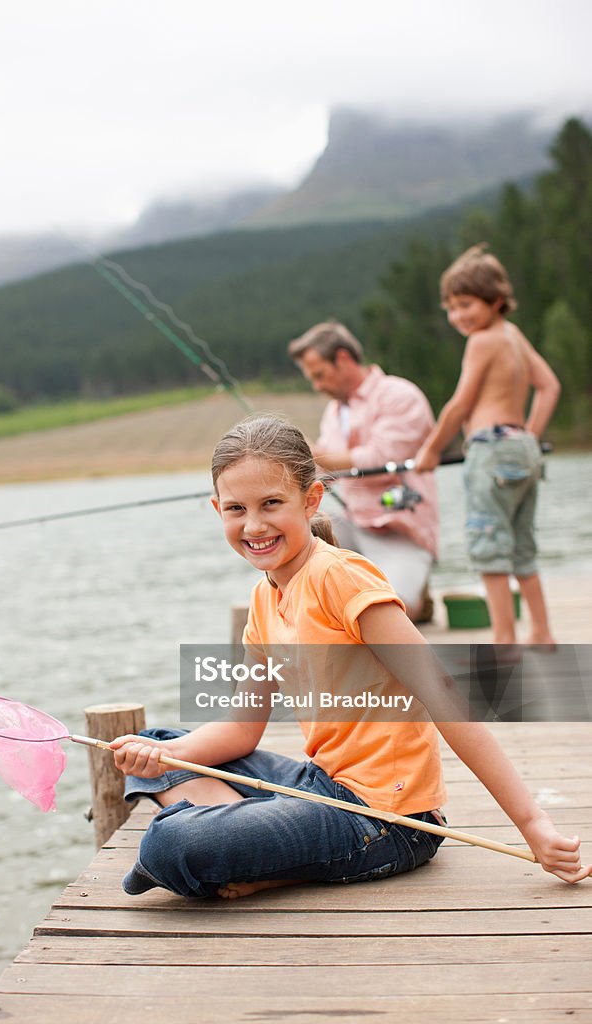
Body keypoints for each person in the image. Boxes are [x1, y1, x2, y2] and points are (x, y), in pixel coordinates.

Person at [110, 416, 589, 900]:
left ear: (311, 498)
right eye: (236, 509)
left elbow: (443, 693)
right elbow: (240, 730)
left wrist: (533, 823)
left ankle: (252, 848)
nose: (254, 525)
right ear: (217, 510)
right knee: (154, 743)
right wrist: (160, 757)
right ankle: (254, 844)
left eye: (272, 504)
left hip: (387, 819)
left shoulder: (342, 578)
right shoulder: (263, 597)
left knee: (174, 842)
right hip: (321, 784)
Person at [414, 245, 560, 649]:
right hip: (522, 448)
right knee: (521, 546)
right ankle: (542, 632)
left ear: (496, 301)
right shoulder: (512, 336)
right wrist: (529, 434)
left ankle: (504, 639)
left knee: (489, 547)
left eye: (466, 305)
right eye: (451, 307)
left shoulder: (481, 342)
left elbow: (460, 404)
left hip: (490, 450)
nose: (458, 316)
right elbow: (549, 387)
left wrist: (430, 450)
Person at [287, 320, 438, 622]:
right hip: (352, 527)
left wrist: (318, 454)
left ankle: (415, 594)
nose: (317, 387)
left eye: (320, 375)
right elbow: (324, 474)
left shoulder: (399, 395)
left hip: (400, 528)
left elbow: (381, 458)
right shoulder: (333, 412)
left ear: (343, 358)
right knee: (299, 536)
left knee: (393, 612)